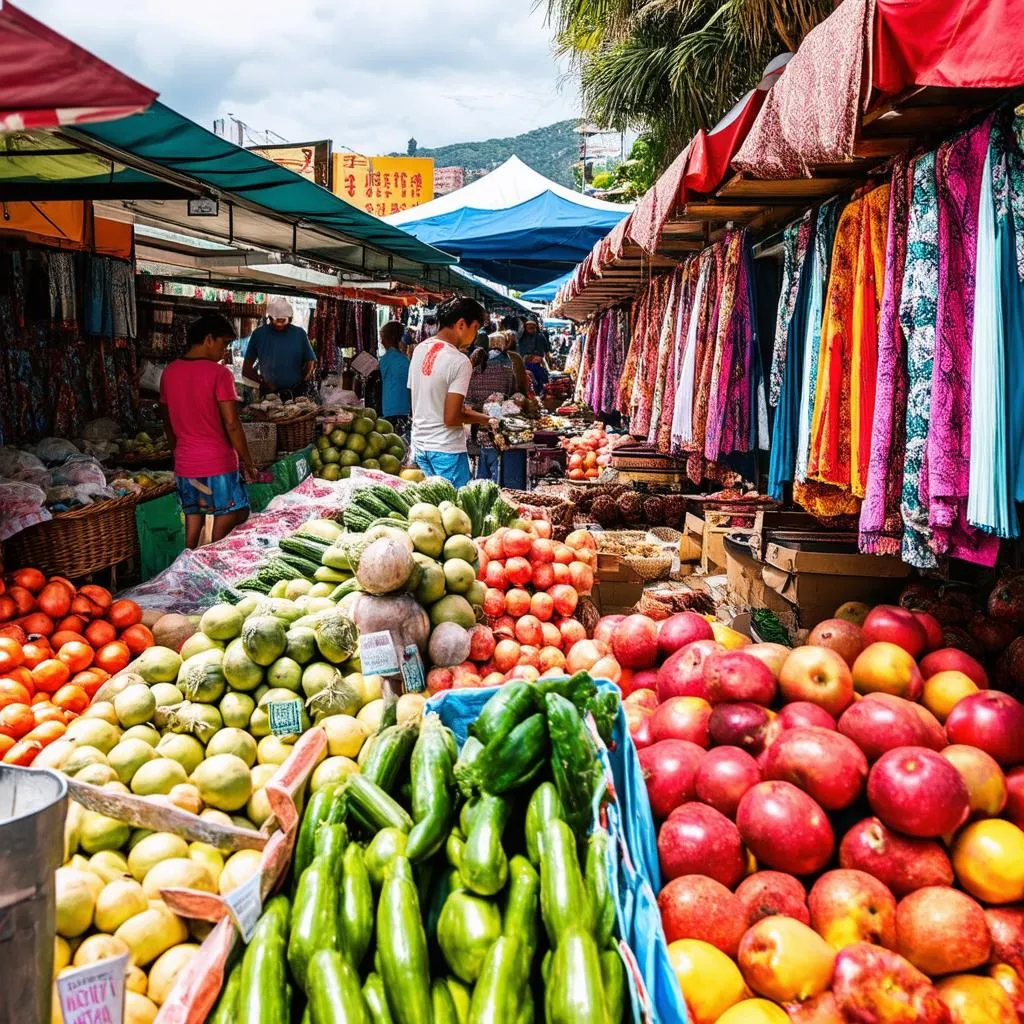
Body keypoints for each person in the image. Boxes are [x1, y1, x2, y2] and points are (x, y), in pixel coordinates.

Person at [160, 313, 258, 549]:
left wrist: (179, 452)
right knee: (230, 519)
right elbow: (232, 424)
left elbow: (167, 421)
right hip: (218, 464)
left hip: (186, 465)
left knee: (194, 520)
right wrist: (248, 462)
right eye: (224, 343)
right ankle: (210, 570)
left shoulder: (170, 372)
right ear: (208, 339)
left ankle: (187, 564)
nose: (225, 351)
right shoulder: (220, 374)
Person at [407, 295, 493, 487]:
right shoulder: (459, 361)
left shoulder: (420, 349)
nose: (475, 335)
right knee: (456, 509)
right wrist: (486, 419)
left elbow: (416, 399)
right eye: (476, 328)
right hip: (446, 451)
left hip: (420, 446)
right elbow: (452, 417)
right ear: (462, 324)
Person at [242, 297, 317, 398]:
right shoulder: (258, 334)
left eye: (283, 321)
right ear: (270, 318)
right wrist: (263, 384)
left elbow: (310, 360)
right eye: (277, 321)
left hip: (296, 392)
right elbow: (246, 369)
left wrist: (303, 380)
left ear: (290, 319)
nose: (280, 326)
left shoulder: (300, 334)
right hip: (269, 393)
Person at [466, 331, 516, 481]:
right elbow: (510, 392)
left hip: (475, 426)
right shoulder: (507, 365)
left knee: (480, 470)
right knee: (495, 468)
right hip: (496, 427)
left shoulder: (474, 368)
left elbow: (467, 400)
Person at [378, 320, 411, 438]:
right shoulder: (406, 360)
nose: (381, 342)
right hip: (405, 409)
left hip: (388, 409)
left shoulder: (384, 360)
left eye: (382, 338)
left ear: (389, 338)